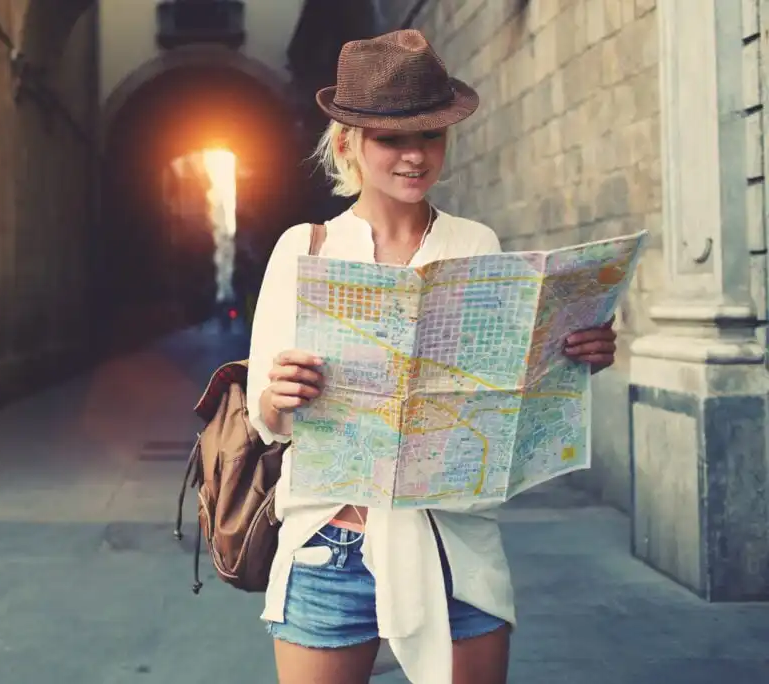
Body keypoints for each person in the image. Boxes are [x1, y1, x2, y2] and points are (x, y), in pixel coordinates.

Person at [245, 30, 617, 684]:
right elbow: (263, 419)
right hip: (329, 549)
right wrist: (280, 394)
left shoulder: (476, 243)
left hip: (455, 547)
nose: (416, 156)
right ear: (347, 143)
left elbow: (505, 401)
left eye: (432, 136)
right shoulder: (305, 247)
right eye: (393, 138)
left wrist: (572, 359)